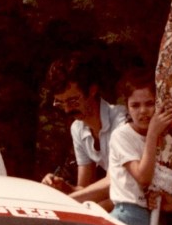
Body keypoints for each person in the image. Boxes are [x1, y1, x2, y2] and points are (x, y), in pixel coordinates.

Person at [40, 52, 127, 206]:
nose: (67, 109)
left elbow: (114, 182)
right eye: (60, 102)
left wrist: (67, 201)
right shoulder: (78, 128)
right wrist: (64, 188)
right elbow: (85, 188)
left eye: (73, 100)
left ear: (92, 90)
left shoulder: (120, 122)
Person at [107, 70, 172, 225]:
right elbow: (143, 177)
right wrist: (152, 133)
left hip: (158, 212)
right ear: (127, 107)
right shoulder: (122, 135)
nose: (143, 111)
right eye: (135, 105)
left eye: (149, 104)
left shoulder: (166, 134)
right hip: (129, 212)